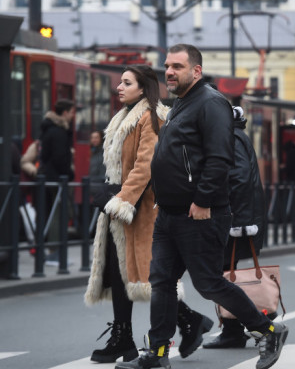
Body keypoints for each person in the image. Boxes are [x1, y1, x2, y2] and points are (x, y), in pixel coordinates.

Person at [116, 44, 288, 369]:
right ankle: (158, 353)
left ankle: (268, 329)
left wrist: (202, 200)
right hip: (170, 213)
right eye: (167, 66)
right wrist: (164, 197)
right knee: (163, 282)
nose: (169, 71)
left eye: (177, 66)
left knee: (209, 283)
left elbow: (220, 159)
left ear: (196, 70)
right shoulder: (182, 103)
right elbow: (177, 157)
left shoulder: (211, 103)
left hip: (200, 213)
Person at [85, 65, 213, 364]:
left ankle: (189, 320)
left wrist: (121, 200)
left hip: (142, 207)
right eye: (120, 82)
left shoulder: (151, 116)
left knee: (151, 277)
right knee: (120, 272)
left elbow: (145, 167)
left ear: (143, 88)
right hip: (123, 205)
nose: (119, 87)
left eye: (126, 83)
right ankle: (124, 337)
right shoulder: (124, 117)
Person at [203, 105, 269, 349]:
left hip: (233, 218)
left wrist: (237, 221)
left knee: (220, 273)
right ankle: (233, 329)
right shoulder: (232, 133)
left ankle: (246, 326)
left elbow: (240, 178)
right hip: (235, 216)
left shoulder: (229, 136)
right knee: (221, 272)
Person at [38, 99, 76, 265]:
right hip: (57, 179)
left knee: (56, 212)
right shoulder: (59, 132)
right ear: (65, 112)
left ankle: (53, 251)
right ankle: (54, 252)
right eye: (72, 112)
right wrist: (68, 173)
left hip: (50, 177)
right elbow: (60, 158)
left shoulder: (50, 129)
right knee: (59, 214)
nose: (73, 116)